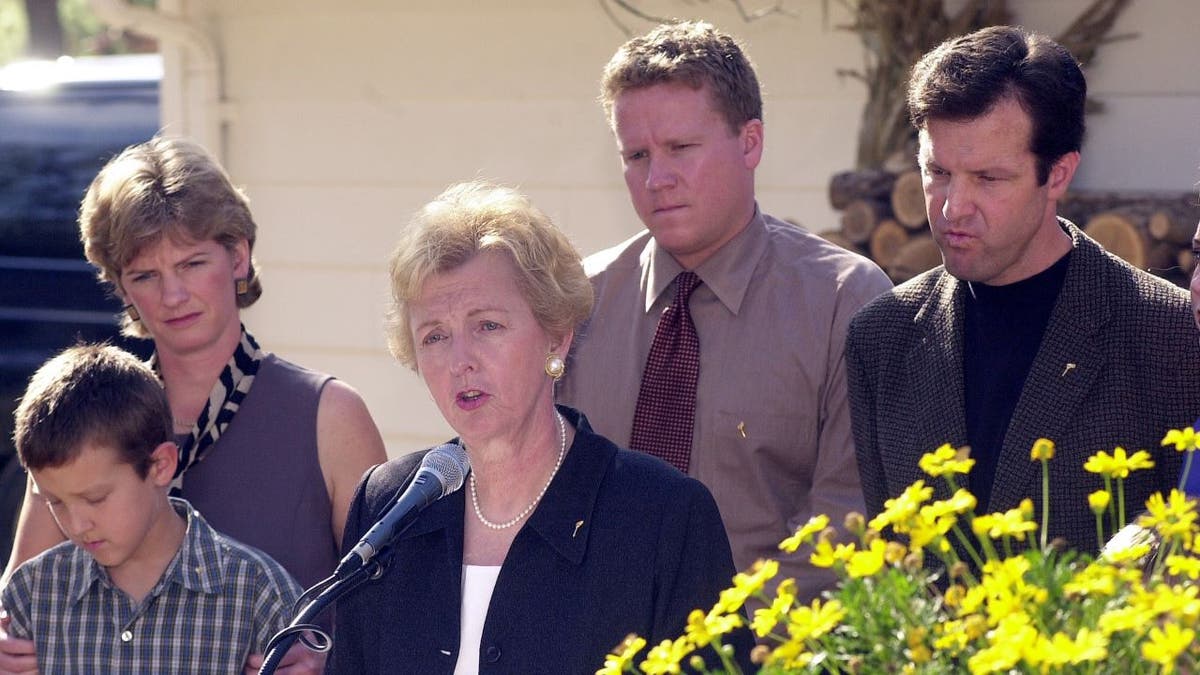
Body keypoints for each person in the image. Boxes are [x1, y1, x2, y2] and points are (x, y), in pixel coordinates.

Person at [326, 181, 751, 673]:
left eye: (488, 326)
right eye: (435, 336)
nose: (460, 361)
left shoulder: (663, 516)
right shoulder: (388, 506)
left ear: (556, 337)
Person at [0, 136, 387, 674]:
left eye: (191, 263)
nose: (173, 295)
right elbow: (15, 609)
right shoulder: (88, 421)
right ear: (121, 288)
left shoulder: (329, 415)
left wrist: (329, 662)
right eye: (145, 276)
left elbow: (398, 608)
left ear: (238, 256)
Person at [556, 20, 892, 601]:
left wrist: (712, 647)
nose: (657, 178)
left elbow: (848, 525)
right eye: (636, 155)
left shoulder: (846, 302)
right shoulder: (576, 303)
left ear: (750, 142)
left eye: (681, 148)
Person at [845, 25, 1200, 553]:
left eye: (988, 178)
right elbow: (890, 559)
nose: (952, 207)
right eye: (937, 171)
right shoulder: (880, 337)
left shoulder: (1167, 334)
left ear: (1058, 174)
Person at [2, 344, 302, 672]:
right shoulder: (32, 593)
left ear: (160, 465)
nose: (76, 525)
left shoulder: (258, 592)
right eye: (55, 502)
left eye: (96, 498)